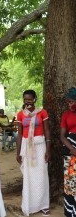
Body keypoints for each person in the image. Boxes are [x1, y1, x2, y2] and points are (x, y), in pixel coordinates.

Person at [16, 89, 50, 216]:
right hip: (26, 148)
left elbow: (47, 131)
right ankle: (29, 205)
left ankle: (44, 205)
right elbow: (19, 134)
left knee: (42, 176)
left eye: (30, 99)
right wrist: (18, 152)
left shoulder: (42, 112)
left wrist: (48, 149)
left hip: (40, 146)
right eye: (25, 99)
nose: (27, 102)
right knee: (28, 178)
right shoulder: (20, 114)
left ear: (35, 99)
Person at [60, 86, 76, 217]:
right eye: (68, 102)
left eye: (72, 102)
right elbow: (62, 135)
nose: (70, 105)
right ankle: (71, 212)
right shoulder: (66, 115)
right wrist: (72, 149)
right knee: (71, 183)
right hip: (71, 154)